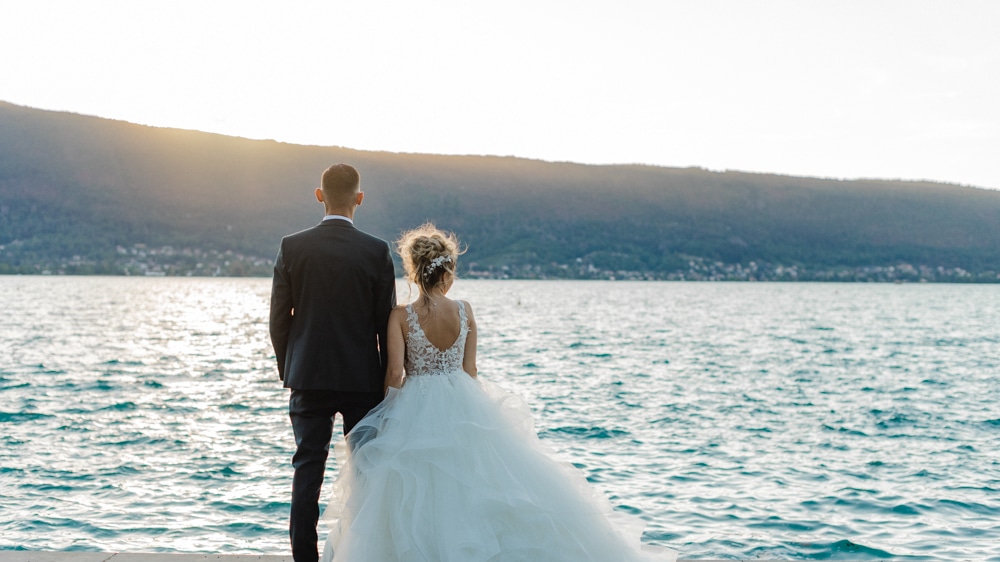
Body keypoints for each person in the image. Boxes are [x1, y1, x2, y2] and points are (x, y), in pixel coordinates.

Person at [320, 223, 676, 562]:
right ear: (447, 272)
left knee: (415, 491)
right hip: (461, 400)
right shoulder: (465, 310)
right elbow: (470, 370)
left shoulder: (400, 316)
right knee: (478, 484)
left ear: (414, 271)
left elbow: (395, 373)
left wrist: (388, 417)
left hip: (415, 403)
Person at [269, 164, 397, 562]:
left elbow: (278, 321)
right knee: (365, 473)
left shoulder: (292, 246)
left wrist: (289, 368)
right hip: (362, 380)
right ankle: (362, 553)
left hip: (306, 376)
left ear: (319, 195)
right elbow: (385, 322)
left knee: (307, 468)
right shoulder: (376, 251)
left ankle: (305, 559)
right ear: (359, 198)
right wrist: (386, 384)